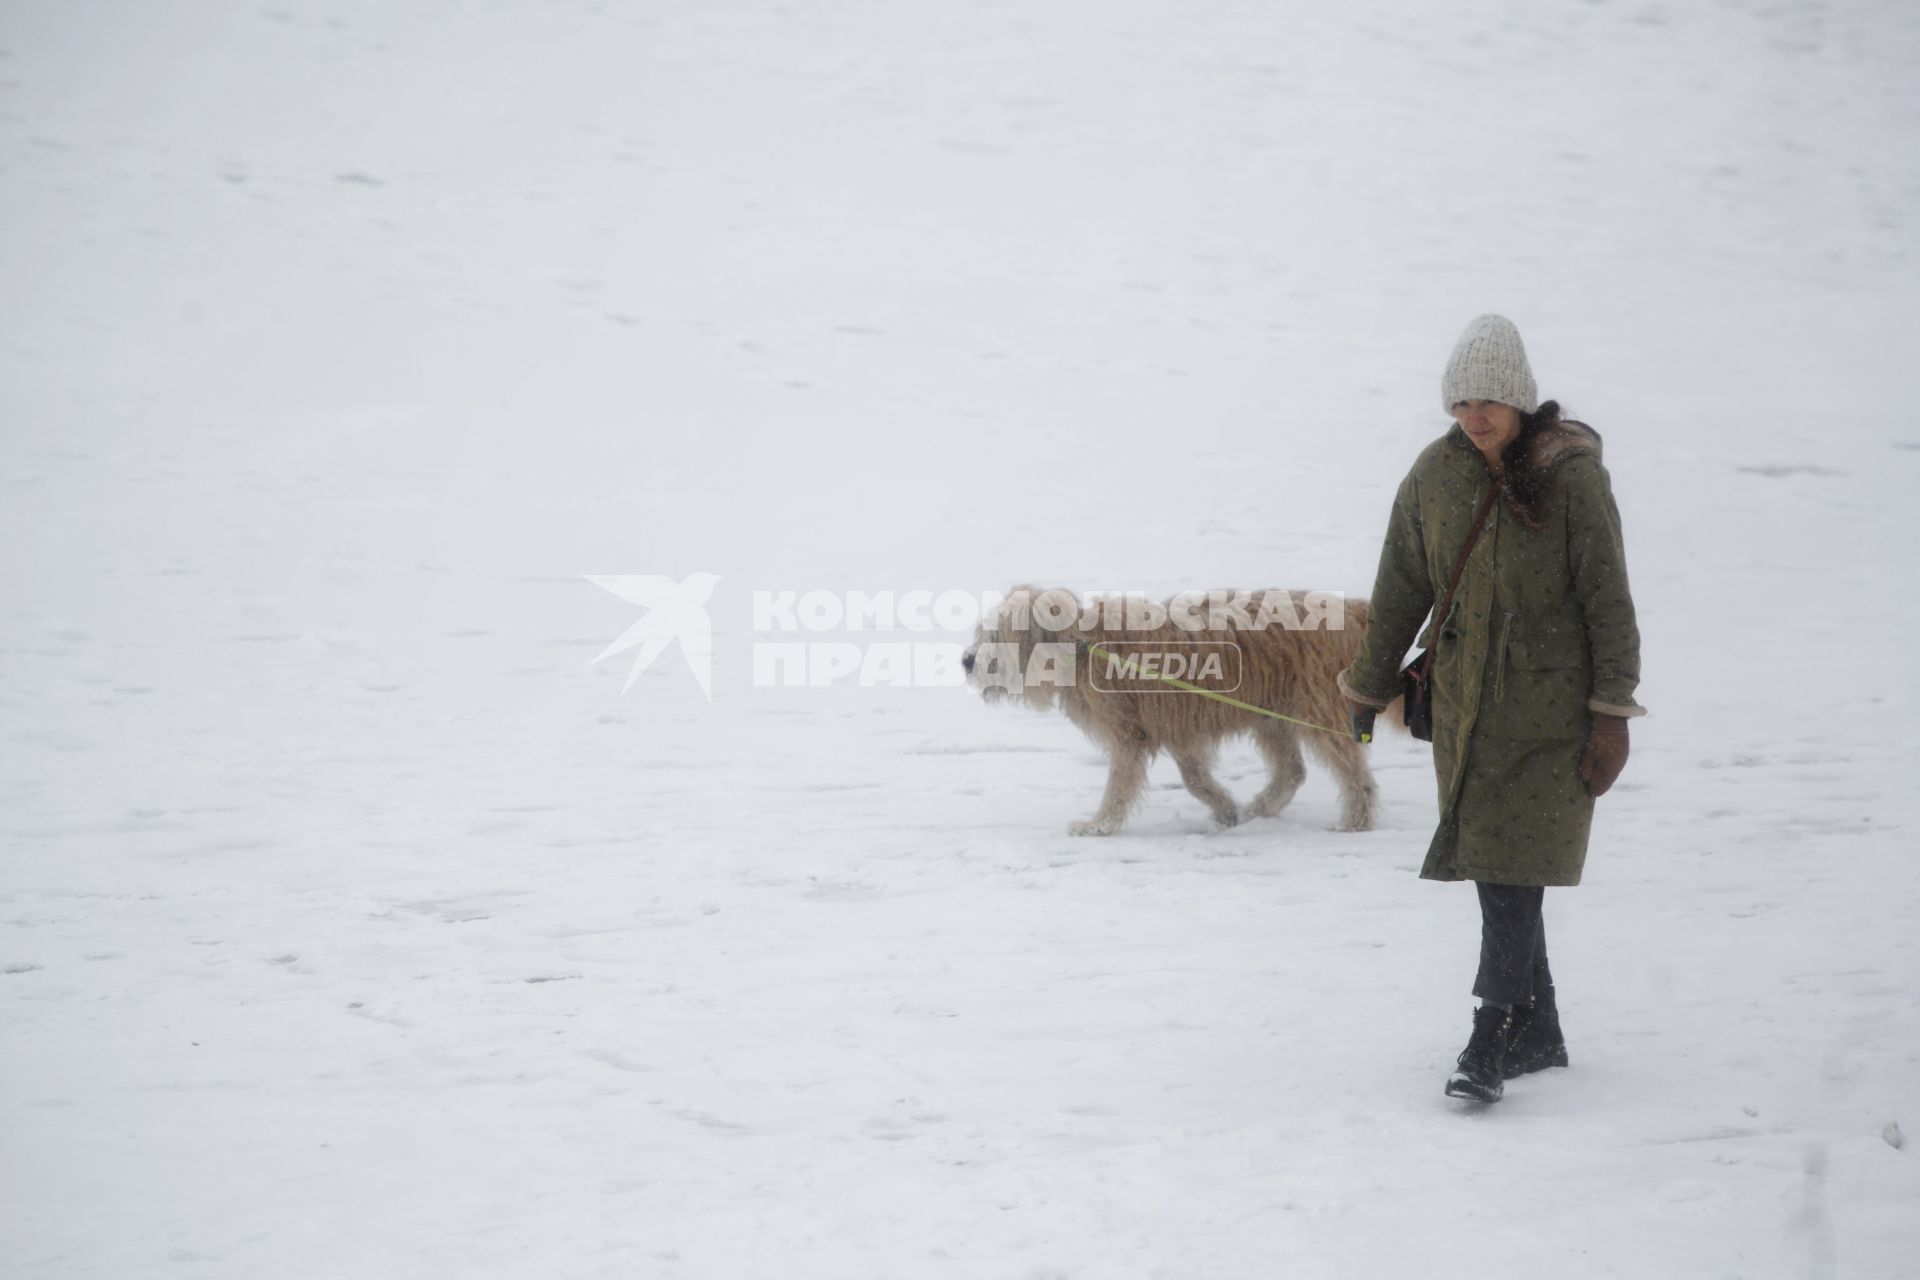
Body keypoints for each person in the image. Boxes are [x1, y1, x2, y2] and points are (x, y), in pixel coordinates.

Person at [1336, 314, 1645, 1103]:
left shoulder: (1571, 476)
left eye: (1490, 402)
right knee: (1501, 865)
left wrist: (1611, 713)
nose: (1474, 417)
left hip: (1549, 707)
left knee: (1513, 866)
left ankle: (1493, 1030)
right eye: (1460, 403)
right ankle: (1537, 1030)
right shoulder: (1434, 476)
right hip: (1466, 702)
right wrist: (1368, 686)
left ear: (1520, 400)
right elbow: (1401, 583)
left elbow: (1608, 599)